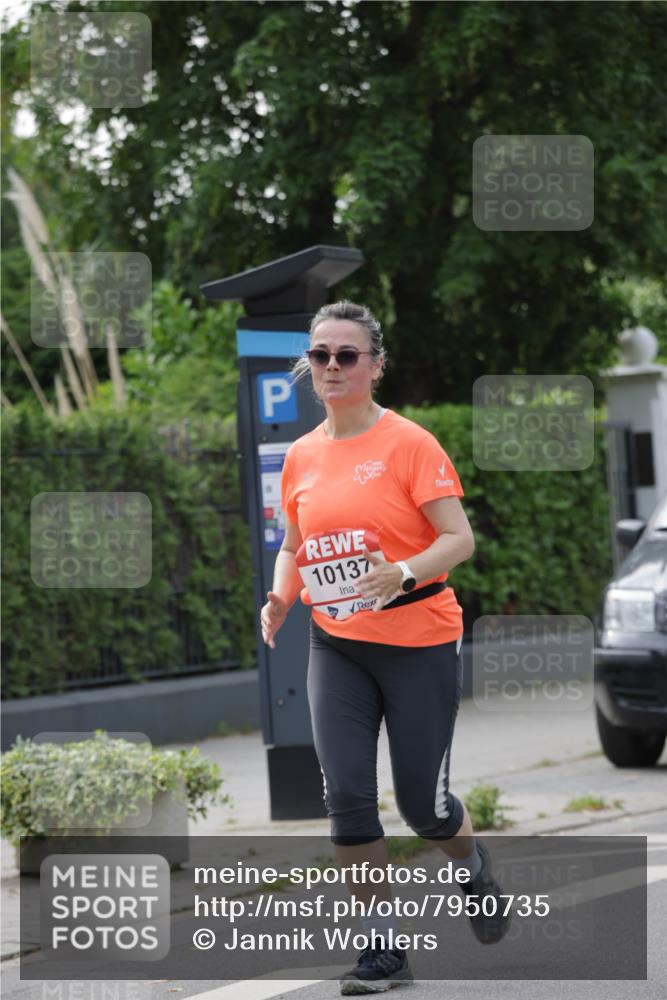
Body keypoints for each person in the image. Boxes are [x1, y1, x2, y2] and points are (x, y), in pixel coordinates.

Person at [260, 301, 510, 995]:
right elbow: (294, 544)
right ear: (307, 367)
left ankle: (469, 862)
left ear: (373, 364)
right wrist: (281, 595)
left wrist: (400, 571)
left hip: (419, 638)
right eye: (319, 355)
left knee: (421, 809)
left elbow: (457, 539)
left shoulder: (409, 443)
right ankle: (383, 952)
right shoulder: (301, 456)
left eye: (346, 354)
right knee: (344, 794)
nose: (331, 366)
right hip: (336, 645)